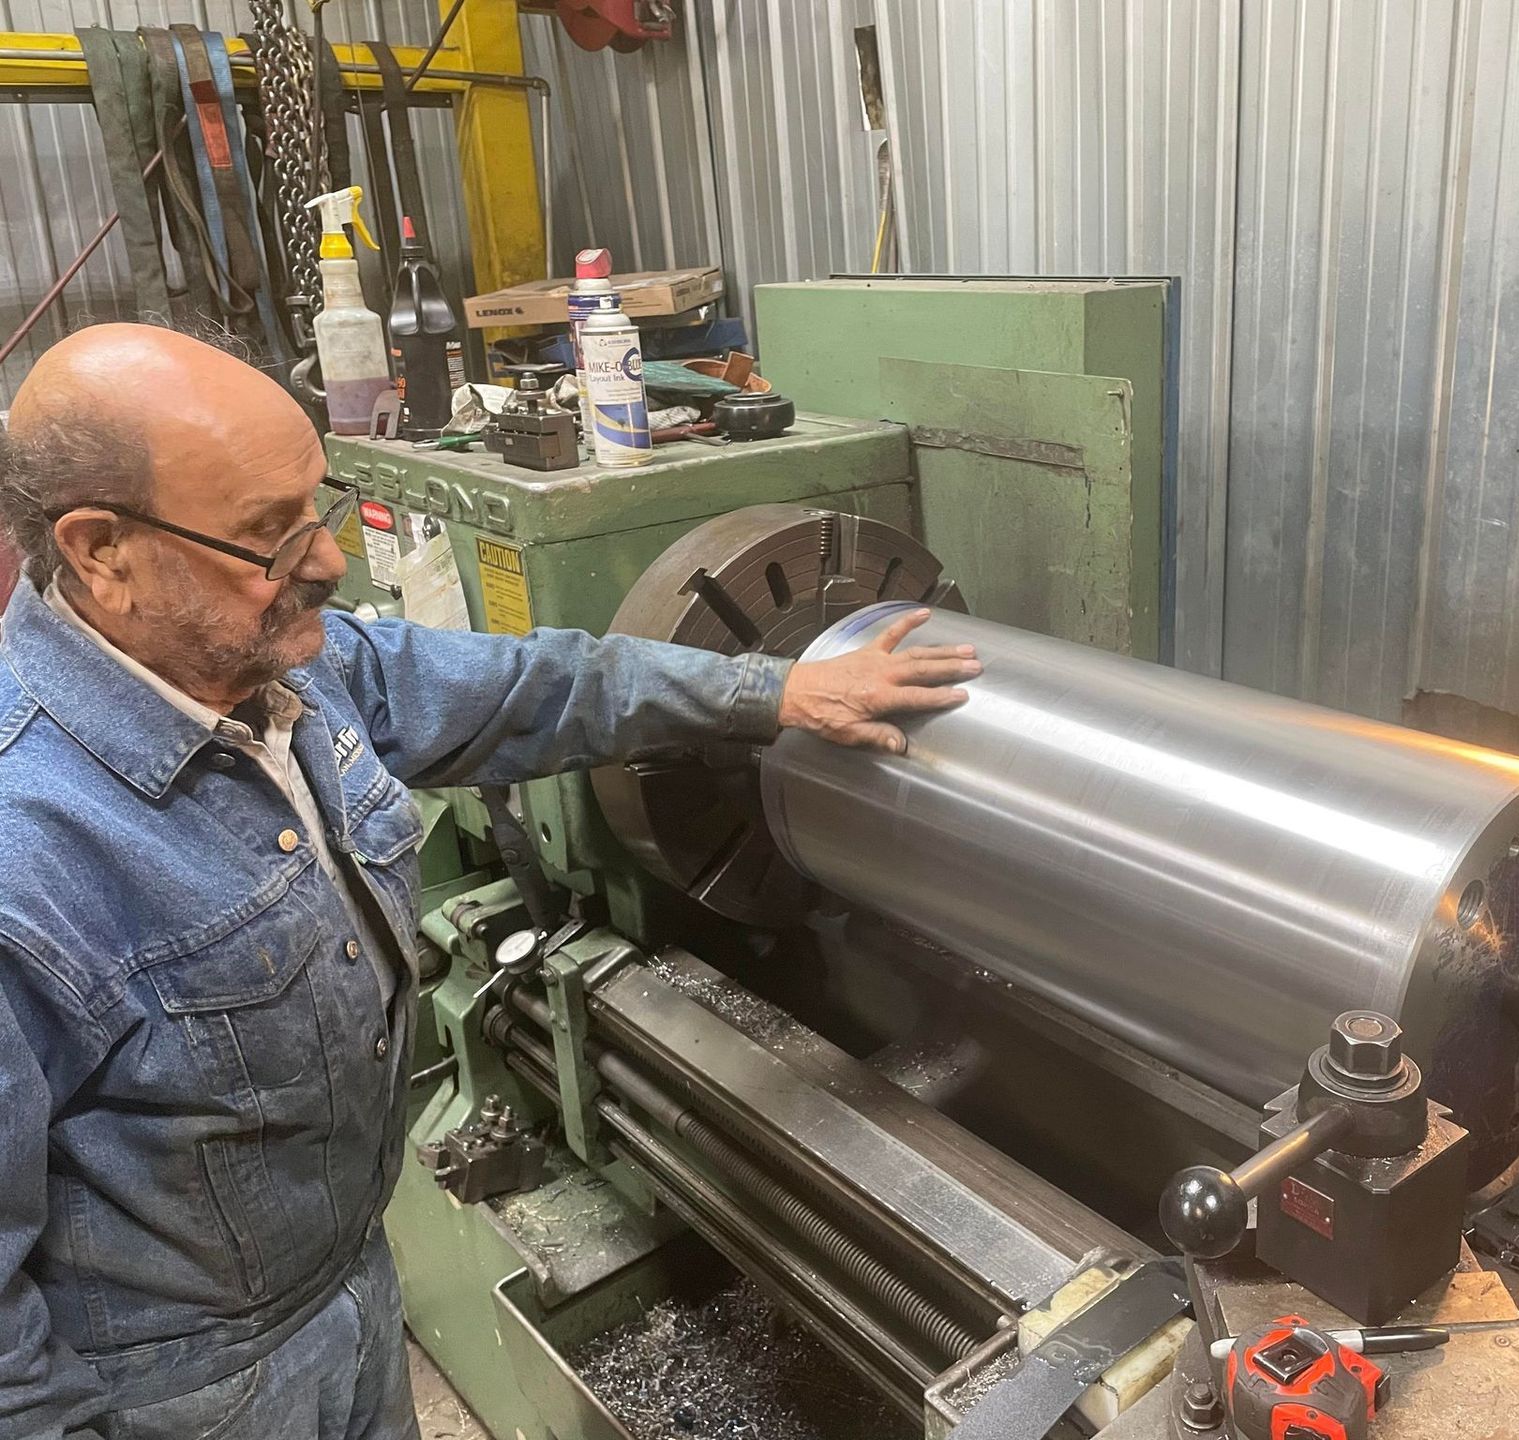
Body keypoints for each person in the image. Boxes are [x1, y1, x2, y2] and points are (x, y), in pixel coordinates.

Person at [0, 324, 980, 1440]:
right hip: (183, 1394)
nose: (326, 563)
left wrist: (777, 693)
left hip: (353, 1297)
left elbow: (540, 687)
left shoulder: (285, 677)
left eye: (318, 507)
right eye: (269, 534)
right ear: (101, 550)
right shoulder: (27, 857)